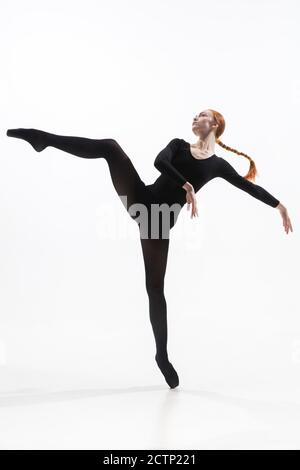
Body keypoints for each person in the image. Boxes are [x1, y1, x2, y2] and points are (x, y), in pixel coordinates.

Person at [6, 109, 293, 389]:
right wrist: (187, 185)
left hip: (157, 223)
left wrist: (279, 206)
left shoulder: (217, 165)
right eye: (194, 115)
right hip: (142, 199)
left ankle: (162, 355)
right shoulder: (178, 146)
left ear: (215, 124)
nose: (194, 117)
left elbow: (247, 187)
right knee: (110, 147)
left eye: (201, 115)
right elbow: (159, 162)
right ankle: (43, 139)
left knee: (155, 289)